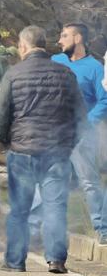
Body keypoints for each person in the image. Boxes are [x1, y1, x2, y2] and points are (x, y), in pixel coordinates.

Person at [0, 26, 85, 274]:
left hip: (22, 150)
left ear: (23, 46)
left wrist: (4, 140)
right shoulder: (66, 75)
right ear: (45, 46)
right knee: (55, 207)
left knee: (19, 210)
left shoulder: (13, 74)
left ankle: (15, 261)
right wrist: (70, 143)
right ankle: (56, 260)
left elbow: (2, 114)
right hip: (56, 152)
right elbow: (79, 114)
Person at [46, 24, 107, 244]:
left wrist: (87, 122)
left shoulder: (95, 68)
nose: (59, 40)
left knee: (89, 183)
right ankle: (39, 230)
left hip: (81, 137)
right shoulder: (55, 61)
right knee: (46, 180)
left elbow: (105, 99)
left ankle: (103, 230)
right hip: (55, 134)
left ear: (78, 38)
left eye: (64, 36)